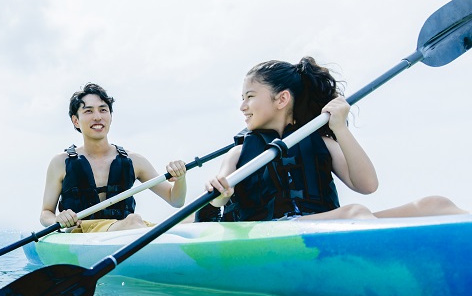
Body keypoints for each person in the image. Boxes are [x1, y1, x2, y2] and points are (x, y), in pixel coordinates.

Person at [198, 57, 467, 222]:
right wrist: (220, 193)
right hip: (272, 230)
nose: (243, 106)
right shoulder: (239, 155)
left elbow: (367, 185)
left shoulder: (321, 143)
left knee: (437, 205)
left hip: (328, 225)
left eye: (250, 96)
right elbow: (217, 202)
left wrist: (340, 128)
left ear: (282, 99)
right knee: (355, 214)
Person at [41, 83, 188, 232]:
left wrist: (180, 178)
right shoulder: (60, 162)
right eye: (88, 111)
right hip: (82, 232)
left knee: (187, 219)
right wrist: (58, 219)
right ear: (76, 121)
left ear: (110, 117)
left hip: (125, 231)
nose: (97, 117)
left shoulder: (135, 160)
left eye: (103, 110)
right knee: (134, 220)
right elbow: (45, 214)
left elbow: (175, 200)